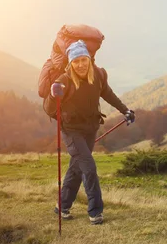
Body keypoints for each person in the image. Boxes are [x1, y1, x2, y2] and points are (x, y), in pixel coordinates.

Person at [44, 39, 135, 225]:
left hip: (90, 129)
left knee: (76, 168)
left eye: (83, 60)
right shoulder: (64, 80)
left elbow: (108, 94)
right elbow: (47, 107)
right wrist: (53, 95)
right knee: (89, 167)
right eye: (75, 61)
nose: (80, 65)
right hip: (71, 131)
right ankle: (95, 212)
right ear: (70, 63)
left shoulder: (99, 75)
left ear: (89, 59)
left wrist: (125, 110)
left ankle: (62, 206)